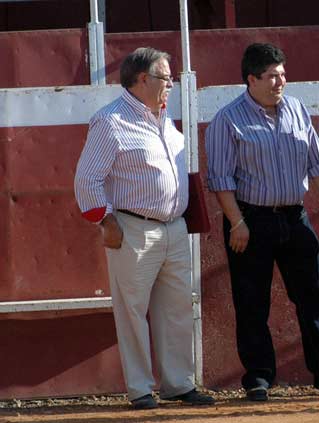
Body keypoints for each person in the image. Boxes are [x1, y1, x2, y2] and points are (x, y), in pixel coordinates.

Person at [205, 43, 319, 402]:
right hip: (250, 220)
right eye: (272, 76)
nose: (281, 81)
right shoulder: (227, 120)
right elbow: (221, 180)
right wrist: (237, 222)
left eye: (282, 74)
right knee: (251, 301)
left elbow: (317, 162)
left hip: (295, 216)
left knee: (313, 297)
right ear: (251, 79)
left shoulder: (296, 109)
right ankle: (259, 377)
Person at [74, 47, 214, 410]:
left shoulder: (164, 118)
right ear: (142, 79)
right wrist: (106, 221)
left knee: (178, 307)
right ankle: (140, 388)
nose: (170, 84)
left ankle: (179, 384)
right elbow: (87, 180)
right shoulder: (110, 120)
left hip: (175, 227)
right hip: (133, 228)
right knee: (132, 312)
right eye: (165, 77)